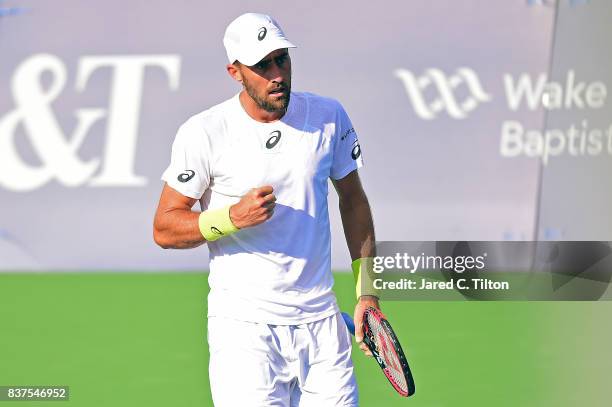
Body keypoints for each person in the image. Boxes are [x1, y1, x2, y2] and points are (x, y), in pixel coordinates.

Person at [153, 12, 380, 406]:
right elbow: (165, 228)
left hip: (323, 326)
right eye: (262, 65)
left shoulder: (329, 117)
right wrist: (230, 218)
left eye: (282, 59)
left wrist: (368, 295)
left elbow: (354, 201)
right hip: (245, 333)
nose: (278, 73)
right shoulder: (204, 132)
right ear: (235, 72)